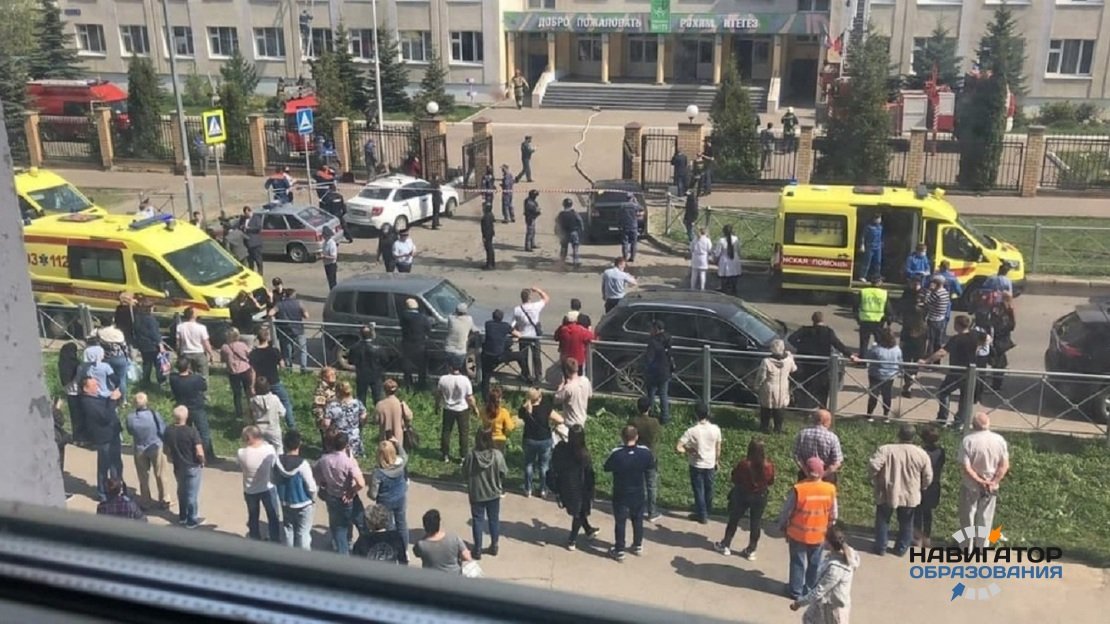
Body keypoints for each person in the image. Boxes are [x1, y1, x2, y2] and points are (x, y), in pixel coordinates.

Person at [778, 456, 838, 601]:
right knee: (815, 563)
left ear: (806, 470)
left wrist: (782, 525)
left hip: (797, 533)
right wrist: (830, 525)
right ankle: (810, 590)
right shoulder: (830, 489)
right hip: (819, 534)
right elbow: (834, 513)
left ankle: (795, 590)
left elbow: (787, 510)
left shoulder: (799, 488)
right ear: (821, 471)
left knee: (797, 562)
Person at [868, 423, 933, 557]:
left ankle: (880, 547)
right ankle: (901, 548)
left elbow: (874, 466)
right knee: (906, 522)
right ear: (913, 437)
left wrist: (874, 480)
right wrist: (922, 486)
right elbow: (928, 475)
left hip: (887, 491)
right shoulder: (921, 453)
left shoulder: (886, 450)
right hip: (910, 493)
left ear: (898, 435)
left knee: (883, 519)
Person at [715, 438, 775, 559]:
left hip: (743, 494)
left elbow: (734, 477)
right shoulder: (768, 465)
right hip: (760, 496)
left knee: (734, 519)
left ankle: (726, 544)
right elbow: (771, 481)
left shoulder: (744, 464)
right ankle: (751, 549)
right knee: (755, 522)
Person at [957, 412, 1010, 547]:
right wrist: (994, 481)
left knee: (968, 516)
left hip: (970, 485)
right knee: (986, 517)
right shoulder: (999, 440)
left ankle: (966, 546)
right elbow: (1004, 465)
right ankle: (982, 546)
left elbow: (966, 467)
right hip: (991, 486)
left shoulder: (968, 441)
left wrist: (980, 481)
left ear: (973, 425)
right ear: (988, 424)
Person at [788, 526, 859, 623]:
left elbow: (819, 590)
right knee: (808, 619)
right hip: (823, 603)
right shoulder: (846, 553)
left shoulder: (836, 568)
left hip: (833, 609)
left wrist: (799, 603)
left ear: (829, 543)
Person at [604, 425, 654, 561]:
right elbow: (650, 465)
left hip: (621, 492)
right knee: (638, 519)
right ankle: (637, 545)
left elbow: (606, 467)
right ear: (636, 437)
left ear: (622, 437)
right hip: (638, 491)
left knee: (620, 521)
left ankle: (619, 549)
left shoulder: (617, 453)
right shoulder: (645, 452)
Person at [314, 431, 367, 555]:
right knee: (361, 522)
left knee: (339, 528)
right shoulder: (348, 462)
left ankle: (343, 555)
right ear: (346, 445)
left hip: (332, 496)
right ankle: (366, 549)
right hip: (348, 498)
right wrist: (351, 491)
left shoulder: (324, 460)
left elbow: (315, 476)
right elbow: (361, 483)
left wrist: (324, 483)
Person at [920, 314, 978, 428]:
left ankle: (942, 419)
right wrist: (978, 348)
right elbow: (987, 338)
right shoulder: (974, 335)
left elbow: (942, 353)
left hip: (956, 372)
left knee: (944, 392)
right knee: (965, 398)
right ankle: (959, 423)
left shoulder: (956, 339)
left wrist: (927, 361)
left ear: (958, 325)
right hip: (970, 372)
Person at [789, 311, 852, 410]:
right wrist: (850, 355)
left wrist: (802, 347)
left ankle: (805, 410)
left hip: (806, 365)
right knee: (822, 390)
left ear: (812, 320)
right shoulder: (828, 332)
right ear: (822, 320)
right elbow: (838, 345)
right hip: (822, 366)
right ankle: (822, 409)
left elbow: (791, 339)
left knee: (806, 388)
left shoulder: (805, 330)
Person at [550, 424, 598, 549]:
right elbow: (589, 475)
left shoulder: (561, 449)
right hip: (580, 488)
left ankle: (588, 530)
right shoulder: (583, 454)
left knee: (580, 511)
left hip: (564, 486)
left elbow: (554, 465)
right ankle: (572, 540)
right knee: (579, 513)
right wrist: (592, 490)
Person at [462, 430, 508, 559]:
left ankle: (477, 550)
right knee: (494, 520)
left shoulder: (471, 456)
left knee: (478, 520)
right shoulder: (497, 455)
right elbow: (504, 472)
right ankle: (494, 546)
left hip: (477, 494)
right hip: (493, 493)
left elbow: (464, 473)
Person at [79, 377, 124, 502]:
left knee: (116, 464)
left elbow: (107, 406)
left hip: (113, 434)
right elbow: (104, 417)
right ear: (86, 388)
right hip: (104, 438)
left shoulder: (96, 397)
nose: (97, 386)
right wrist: (112, 400)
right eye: (94, 385)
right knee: (104, 466)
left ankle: (117, 489)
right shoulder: (88, 402)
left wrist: (115, 398)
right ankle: (103, 493)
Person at [676, 402, 722, 525]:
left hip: (696, 464)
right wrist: (717, 461)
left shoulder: (691, 431)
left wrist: (689, 450)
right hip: (710, 463)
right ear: (707, 413)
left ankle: (702, 514)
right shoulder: (716, 429)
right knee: (709, 488)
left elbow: (678, 447)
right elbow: (718, 448)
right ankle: (707, 510)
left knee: (698, 490)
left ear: (695, 414)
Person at [272, 430, 317, 550]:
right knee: (303, 532)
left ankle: (288, 555)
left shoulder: (277, 461)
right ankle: (304, 557)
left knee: (288, 530)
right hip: (303, 503)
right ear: (299, 444)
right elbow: (311, 486)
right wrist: (313, 498)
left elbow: (272, 479)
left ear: (284, 444)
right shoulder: (303, 464)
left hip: (286, 502)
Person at [368, 439, 410, 563]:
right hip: (400, 497)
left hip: (385, 502)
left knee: (389, 527)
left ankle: (391, 550)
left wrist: (369, 493)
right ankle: (404, 550)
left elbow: (373, 494)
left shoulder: (378, 473)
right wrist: (398, 444)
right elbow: (404, 456)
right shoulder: (400, 464)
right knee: (402, 524)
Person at [163, 405, 205, 528]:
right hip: (192, 466)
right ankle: (192, 520)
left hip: (178, 466)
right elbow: (199, 451)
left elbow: (165, 449)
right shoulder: (192, 432)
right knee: (192, 494)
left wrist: (170, 457)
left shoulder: (168, 430)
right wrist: (202, 461)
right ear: (186, 416)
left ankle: (182, 516)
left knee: (181, 491)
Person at [237, 426, 281, 542]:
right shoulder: (269, 449)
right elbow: (274, 464)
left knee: (253, 516)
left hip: (250, 490)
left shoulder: (241, 453)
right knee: (273, 515)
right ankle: (274, 539)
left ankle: (255, 539)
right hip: (268, 487)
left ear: (248, 438)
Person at [125, 393, 169, 510]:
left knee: (143, 476)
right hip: (156, 446)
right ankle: (164, 499)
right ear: (146, 402)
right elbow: (163, 429)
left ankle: (145, 501)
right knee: (161, 474)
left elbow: (130, 431)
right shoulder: (154, 415)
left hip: (140, 448)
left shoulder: (130, 418)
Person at [851, 327, 903, 421]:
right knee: (887, 395)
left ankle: (869, 415)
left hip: (876, 375)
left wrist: (872, 347)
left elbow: (869, 357)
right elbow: (900, 361)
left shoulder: (877, 349)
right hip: (890, 376)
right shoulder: (897, 349)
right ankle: (886, 416)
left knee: (874, 395)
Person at [168, 358, 215, 461]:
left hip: (182, 409)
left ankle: (188, 454)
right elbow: (204, 387)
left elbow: (172, 374)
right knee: (203, 433)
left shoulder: (173, 379)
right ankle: (207, 456)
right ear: (188, 367)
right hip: (197, 407)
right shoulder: (196, 379)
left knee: (185, 432)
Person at [249, 327, 294, 429]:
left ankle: (259, 425)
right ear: (268, 337)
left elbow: (252, 371)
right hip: (274, 381)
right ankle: (291, 426)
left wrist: (252, 386)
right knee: (285, 402)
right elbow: (282, 365)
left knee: (259, 404)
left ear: (257, 338)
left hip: (260, 383)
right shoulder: (274, 351)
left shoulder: (253, 353)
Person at [628, 396, 662, 522]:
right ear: (649, 408)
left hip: (637, 454)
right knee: (651, 484)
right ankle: (652, 512)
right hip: (650, 455)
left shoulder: (633, 421)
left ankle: (636, 509)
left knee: (637, 484)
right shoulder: (654, 422)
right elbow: (657, 436)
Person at [437, 360, 478, 462]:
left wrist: (437, 405)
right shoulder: (465, 380)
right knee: (463, 433)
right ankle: (463, 456)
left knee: (446, 431)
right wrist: (474, 408)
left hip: (448, 408)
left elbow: (439, 395)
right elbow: (469, 397)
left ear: (450, 367)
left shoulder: (443, 379)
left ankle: (445, 454)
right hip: (462, 409)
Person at [480, 309, 526, 396]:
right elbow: (519, 335)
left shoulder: (488, 324)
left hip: (487, 356)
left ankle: (485, 398)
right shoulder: (505, 326)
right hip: (499, 356)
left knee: (486, 378)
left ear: (493, 316)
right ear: (502, 318)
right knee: (520, 355)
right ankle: (525, 374)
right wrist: (514, 337)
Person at [756, 338, 798, 433]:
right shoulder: (788, 360)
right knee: (780, 407)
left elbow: (761, 376)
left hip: (769, 387)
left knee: (766, 407)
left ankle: (764, 427)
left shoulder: (766, 361)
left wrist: (757, 385)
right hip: (782, 387)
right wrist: (791, 357)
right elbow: (794, 369)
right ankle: (778, 428)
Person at [520, 388, 555, 499]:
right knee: (544, 466)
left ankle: (528, 489)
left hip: (529, 439)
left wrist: (527, 403)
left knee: (529, 464)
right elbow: (560, 419)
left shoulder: (523, 410)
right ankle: (543, 489)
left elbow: (521, 414)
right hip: (544, 439)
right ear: (539, 397)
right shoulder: (545, 408)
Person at [915, 425, 946, 547]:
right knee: (928, 512)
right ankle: (927, 537)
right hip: (934, 484)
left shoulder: (920, 451)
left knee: (917, 511)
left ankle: (917, 537)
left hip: (920, 483)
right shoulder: (941, 451)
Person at [793, 409, 844, 483]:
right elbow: (837, 462)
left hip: (805, 474)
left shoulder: (802, 434)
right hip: (826, 477)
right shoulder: (832, 437)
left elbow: (797, 456)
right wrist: (823, 474)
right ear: (825, 422)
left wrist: (806, 471)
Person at [512, 286, 549, 384]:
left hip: (523, 336)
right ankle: (538, 376)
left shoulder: (517, 309)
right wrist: (538, 290)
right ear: (530, 298)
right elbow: (546, 298)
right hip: (534, 336)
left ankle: (526, 374)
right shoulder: (535, 306)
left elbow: (512, 325)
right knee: (536, 357)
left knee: (523, 357)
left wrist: (516, 332)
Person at [642, 320, 674, 424]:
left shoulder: (653, 342)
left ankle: (650, 414)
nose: (649, 331)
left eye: (651, 328)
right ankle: (665, 418)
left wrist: (646, 369)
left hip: (654, 372)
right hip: (665, 371)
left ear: (656, 329)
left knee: (651, 394)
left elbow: (649, 359)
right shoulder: (668, 339)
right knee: (663, 395)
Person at [323, 381, 367, 458]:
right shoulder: (358, 403)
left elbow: (326, 424)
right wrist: (360, 424)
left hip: (338, 440)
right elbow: (363, 417)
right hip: (354, 439)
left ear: (337, 392)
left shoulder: (332, 405)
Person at [218, 327, 254, 422]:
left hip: (233, 372)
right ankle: (252, 410)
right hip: (245, 369)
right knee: (248, 391)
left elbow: (222, 360)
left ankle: (239, 413)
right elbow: (249, 355)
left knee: (237, 394)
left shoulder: (224, 347)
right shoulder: (242, 345)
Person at [343, 325, 384, 406]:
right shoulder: (377, 347)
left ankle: (361, 412)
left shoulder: (354, 347)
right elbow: (384, 360)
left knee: (361, 397)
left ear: (360, 335)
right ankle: (378, 412)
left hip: (361, 374)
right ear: (371, 334)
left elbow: (350, 361)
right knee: (377, 397)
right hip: (376, 375)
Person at [271, 289, 310, 371]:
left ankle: (289, 369)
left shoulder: (279, 304)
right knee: (303, 350)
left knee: (287, 351)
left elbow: (270, 313)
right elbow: (306, 316)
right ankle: (303, 368)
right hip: (298, 330)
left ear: (285, 295)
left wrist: (275, 319)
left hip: (285, 330)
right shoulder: (299, 303)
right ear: (294, 295)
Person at [399, 298, 432, 389]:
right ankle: (421, 385)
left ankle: (408, 385)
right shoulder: (422, 317)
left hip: (407, 344)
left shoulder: (404, 316)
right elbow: (428, 328)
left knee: (407, 367)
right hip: (420, 344)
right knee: (422, 366)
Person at [855, 274, 892, 354]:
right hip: (879, 321)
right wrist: (889, 321)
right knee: (879, 342)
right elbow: (888, 309)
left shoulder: (864, 292)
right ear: (879, 282)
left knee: (864, 343)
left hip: (865, 320)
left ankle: (862, 359)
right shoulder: (884, 293)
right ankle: (878, 358)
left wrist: (857, 318)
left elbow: (855, 306)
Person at [987, 293, 1016, 391]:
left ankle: (996, 385)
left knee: (998, 363)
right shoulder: (1006, 312)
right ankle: (996, 382)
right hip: (1001, 341)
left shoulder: (1003, 314)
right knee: (998, 362)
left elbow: (999, 327)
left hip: (999, 342)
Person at [554, 357, 593, 432]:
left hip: (570, 422)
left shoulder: (568, 387)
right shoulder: (585, 380)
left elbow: (556, 400)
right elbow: (590, 395)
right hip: (582, 419)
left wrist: (561, 386)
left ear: (566, 371)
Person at [248, 377, 286, 453]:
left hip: (259, 427)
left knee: (261, 448)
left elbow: (250, 414)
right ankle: (278, 459)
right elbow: (283, 412)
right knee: (278, 446)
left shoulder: (253, 401)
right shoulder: (274, 398)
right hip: (273, 427)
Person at [131, 303, 163, 389]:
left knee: (146, 364)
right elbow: (154, 333)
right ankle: (161, 381)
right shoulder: (150, 319)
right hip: (152, 345)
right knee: (158, 364)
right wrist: (160, 343)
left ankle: (145, 381)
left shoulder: (137, 318)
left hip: (142, 344)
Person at [97, 322, 131, 401]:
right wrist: (127, 357)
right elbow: (124, 347)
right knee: (121, 379)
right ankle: (123, 400)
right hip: (120, 358)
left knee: (107, 379)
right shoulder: (118, 332)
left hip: (106, 358)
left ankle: (110, 398)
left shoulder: (100, 333)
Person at [175, 307, 213, 378]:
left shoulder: (180, 327)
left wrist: (178, 353)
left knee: (187, 375)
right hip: (199, 353)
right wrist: (210, 353)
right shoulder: (202, 327)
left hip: (186, 353)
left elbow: (178, 343)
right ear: (193, 315)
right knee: (203, 376)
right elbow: (206, 342)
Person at [59, 343, 86, 443]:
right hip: (78, 393)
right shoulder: (76, 364)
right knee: (81, 417)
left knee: (74, 417)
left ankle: (76, 437)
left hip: (69, 393)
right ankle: (82, 438)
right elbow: (79, 378)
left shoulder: (62, 363)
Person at [900, 306, 928, 398]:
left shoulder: (907, 326)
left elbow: (902, 339)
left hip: (907, 348)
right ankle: (913, 377)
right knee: (916, 366)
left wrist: (900, 349)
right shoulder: (924, 327)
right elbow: (927, 340)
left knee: (906, 366)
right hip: (920, 349)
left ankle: (907, 383)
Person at [482, 386, 517, 451]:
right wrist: (514, 423)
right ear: (499, 399)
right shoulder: (503, 412)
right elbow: (509, 428)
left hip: (487, 439)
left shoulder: (484, 411)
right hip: (500, 439)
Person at [923, 275, 951, 354]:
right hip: (942, 318)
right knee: (938, 340)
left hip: (933, 319)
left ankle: (929, 356)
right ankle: (937, 357)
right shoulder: (945, 292)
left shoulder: (937, 294)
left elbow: (926, 302)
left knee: (931, 340)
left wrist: (929, 291)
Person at [712, 224, 742, 296]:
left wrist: (715, 258)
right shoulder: (736, 239)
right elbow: (738, 249)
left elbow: (718, 252)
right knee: (734, 274)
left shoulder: (721, 240)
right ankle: (734, 288)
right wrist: (739, 256)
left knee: (723, 275)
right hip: (734, 258)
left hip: (724, 259)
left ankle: (723, 288)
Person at [445, 303, 475, 374]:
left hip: (449, 348)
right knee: (457, 369)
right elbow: (473, 330)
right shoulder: (469, 319)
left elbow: (450, 321)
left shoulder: (451, 318)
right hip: (461, 350)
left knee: (449, 369)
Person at [556, 198, 583, 268]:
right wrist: (581, 229)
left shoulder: (561, 214)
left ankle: (562, 262)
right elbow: (580, 221)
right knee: (575, 247)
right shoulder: (574, 213)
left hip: (564, 233)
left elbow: (557, 223)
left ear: (563, 205)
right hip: (573, 232)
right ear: (571, 205)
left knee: (564, 248)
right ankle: (576, 262)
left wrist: (557, 232)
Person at [857, 214, 884, 281]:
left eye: (879, 218)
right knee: (867, 262)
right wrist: (862, 245)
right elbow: (863, 236)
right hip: (869, 246)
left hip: (878, 247)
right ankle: (862, 276)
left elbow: (881, 237)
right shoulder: (868, 227)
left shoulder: (880, 227)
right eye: (877, 218)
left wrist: (882, 244)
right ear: (874, 219)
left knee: (878, 262)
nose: (878, 220)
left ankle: (877, 276)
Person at [618, 193, 641, 262]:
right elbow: (640, 208)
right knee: (634, 242)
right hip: (633, 226)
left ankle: (625, 257)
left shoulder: (622, 205)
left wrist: (619, 224)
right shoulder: (635, 205)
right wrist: (636, 201)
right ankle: (632, 257)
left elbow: (619, 215)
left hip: (625, 226)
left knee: (625, 242)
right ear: (632, 198)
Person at [321, 226, 339, 290]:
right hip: (326, 264)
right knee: (330, 281)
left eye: (324, 235)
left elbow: (334, 257)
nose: (323, 236)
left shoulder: (331, 244)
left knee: (332, 282)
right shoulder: (325, 243)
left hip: (331, 265)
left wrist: (324, 257)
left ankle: (334, 293)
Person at [479, 203, 497, 270]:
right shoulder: (490, 215)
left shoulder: (486, 217)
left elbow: (486, 228)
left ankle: (489, 264)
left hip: (488, 235)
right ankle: (491, 263)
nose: (482, 208)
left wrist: (485, 237)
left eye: (484, 207)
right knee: (490, 249)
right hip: (490, 234)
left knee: (489, 249)